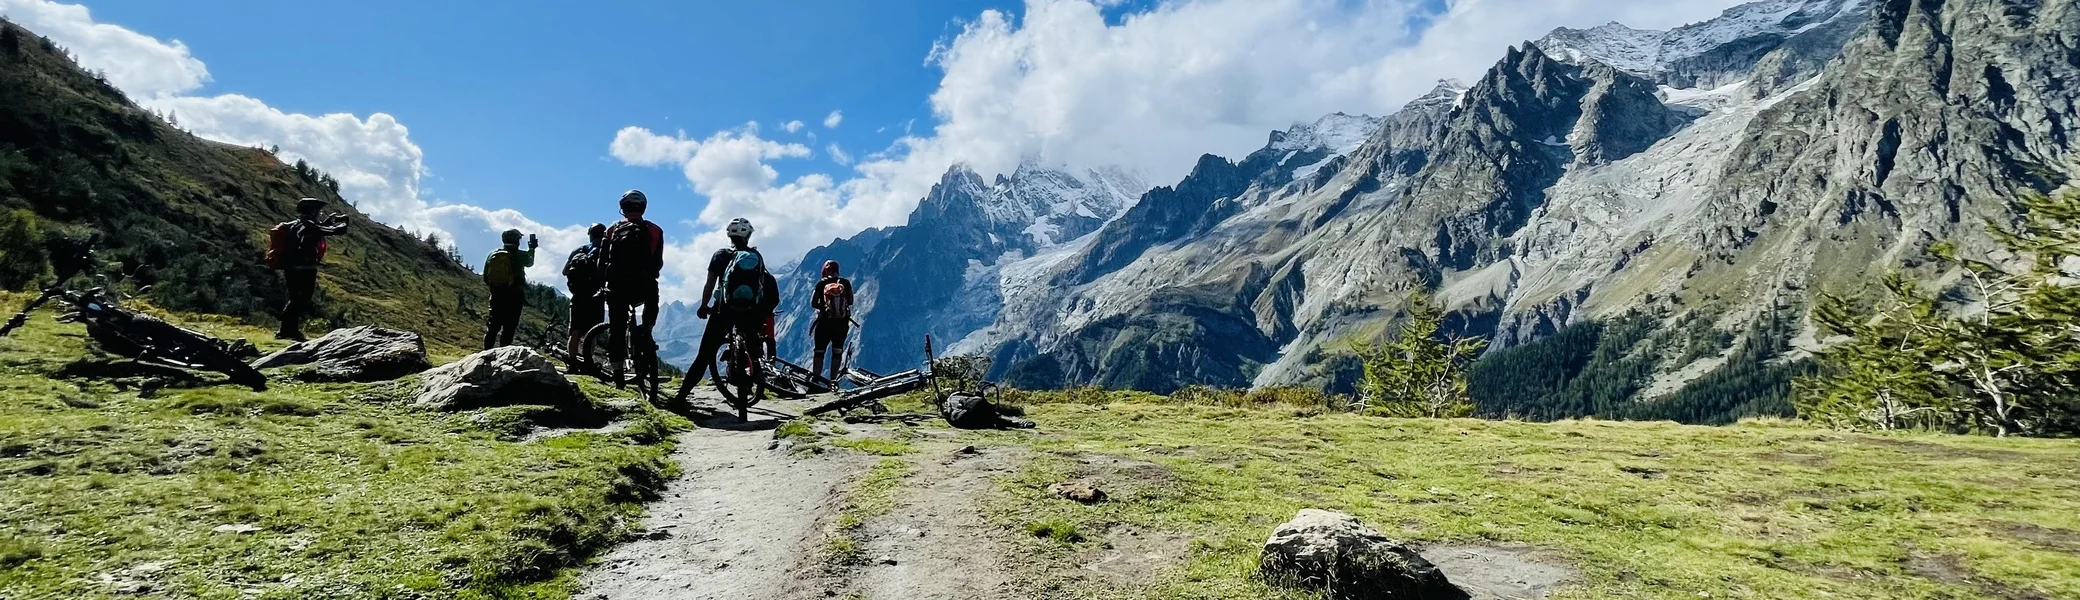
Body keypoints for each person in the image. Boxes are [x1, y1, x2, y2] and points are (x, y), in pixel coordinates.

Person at [676, 218, 780, 402]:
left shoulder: (720, 255)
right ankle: (757, 376)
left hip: (723, 310)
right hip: (750, 311)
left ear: (729, 236)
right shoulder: (756, 256)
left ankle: (681, 396)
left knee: (705, 354)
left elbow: (709, 284)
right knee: (753, 346)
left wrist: (704, 306)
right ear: (748, 236)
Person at [598, 190, 665, 382]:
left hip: (618, 286)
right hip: (644, 285)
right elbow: (658, 261)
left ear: (623, 208)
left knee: (617, 330)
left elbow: (602, 263)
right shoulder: (655, 230)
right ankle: (647, 331)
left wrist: (602, 285)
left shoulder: (611, 230)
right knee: (651, 303)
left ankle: (618, 373)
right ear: (643, 207)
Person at [274, 197, 346, 342]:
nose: (319, 214)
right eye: (318, 212)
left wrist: (326, 222)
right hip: (304, 268)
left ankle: (287, 330)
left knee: (295, 299)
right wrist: (344, 223)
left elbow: (317, 230)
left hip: (292, 267)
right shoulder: (308, 225)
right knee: (301, 299)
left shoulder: (297, 224)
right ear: (312, 211)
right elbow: (333, 231)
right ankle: (288, 331)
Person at [482, 229, 538, 349]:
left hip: (496, 295)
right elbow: (530, 262)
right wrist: (532, 249)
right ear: (517, 241)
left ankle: (486, 353)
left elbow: (486, 277)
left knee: (493, 326)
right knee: (509, 327)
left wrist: (496, 287)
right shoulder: (519, 255)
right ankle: (503, 354)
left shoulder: (492, 255)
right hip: (514, 295)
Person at [563, 223, 608, 357]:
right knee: (592, 331)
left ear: (590, 234)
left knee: (575, 330)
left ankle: (572, 360)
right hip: (597, 295)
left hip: (578, 294)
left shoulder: (579, 250)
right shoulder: (607, 249)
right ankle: (587, 361)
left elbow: (565, 271)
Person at [809, 260, 855, 383]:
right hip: (841, 323)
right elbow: (850, 301)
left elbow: (813, 303)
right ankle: (833, 381)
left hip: (824, 322)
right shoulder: (845, 283)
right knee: (837, 352)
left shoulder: (821, 284)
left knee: (819, 352)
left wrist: (824, 308)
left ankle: (815, 380)